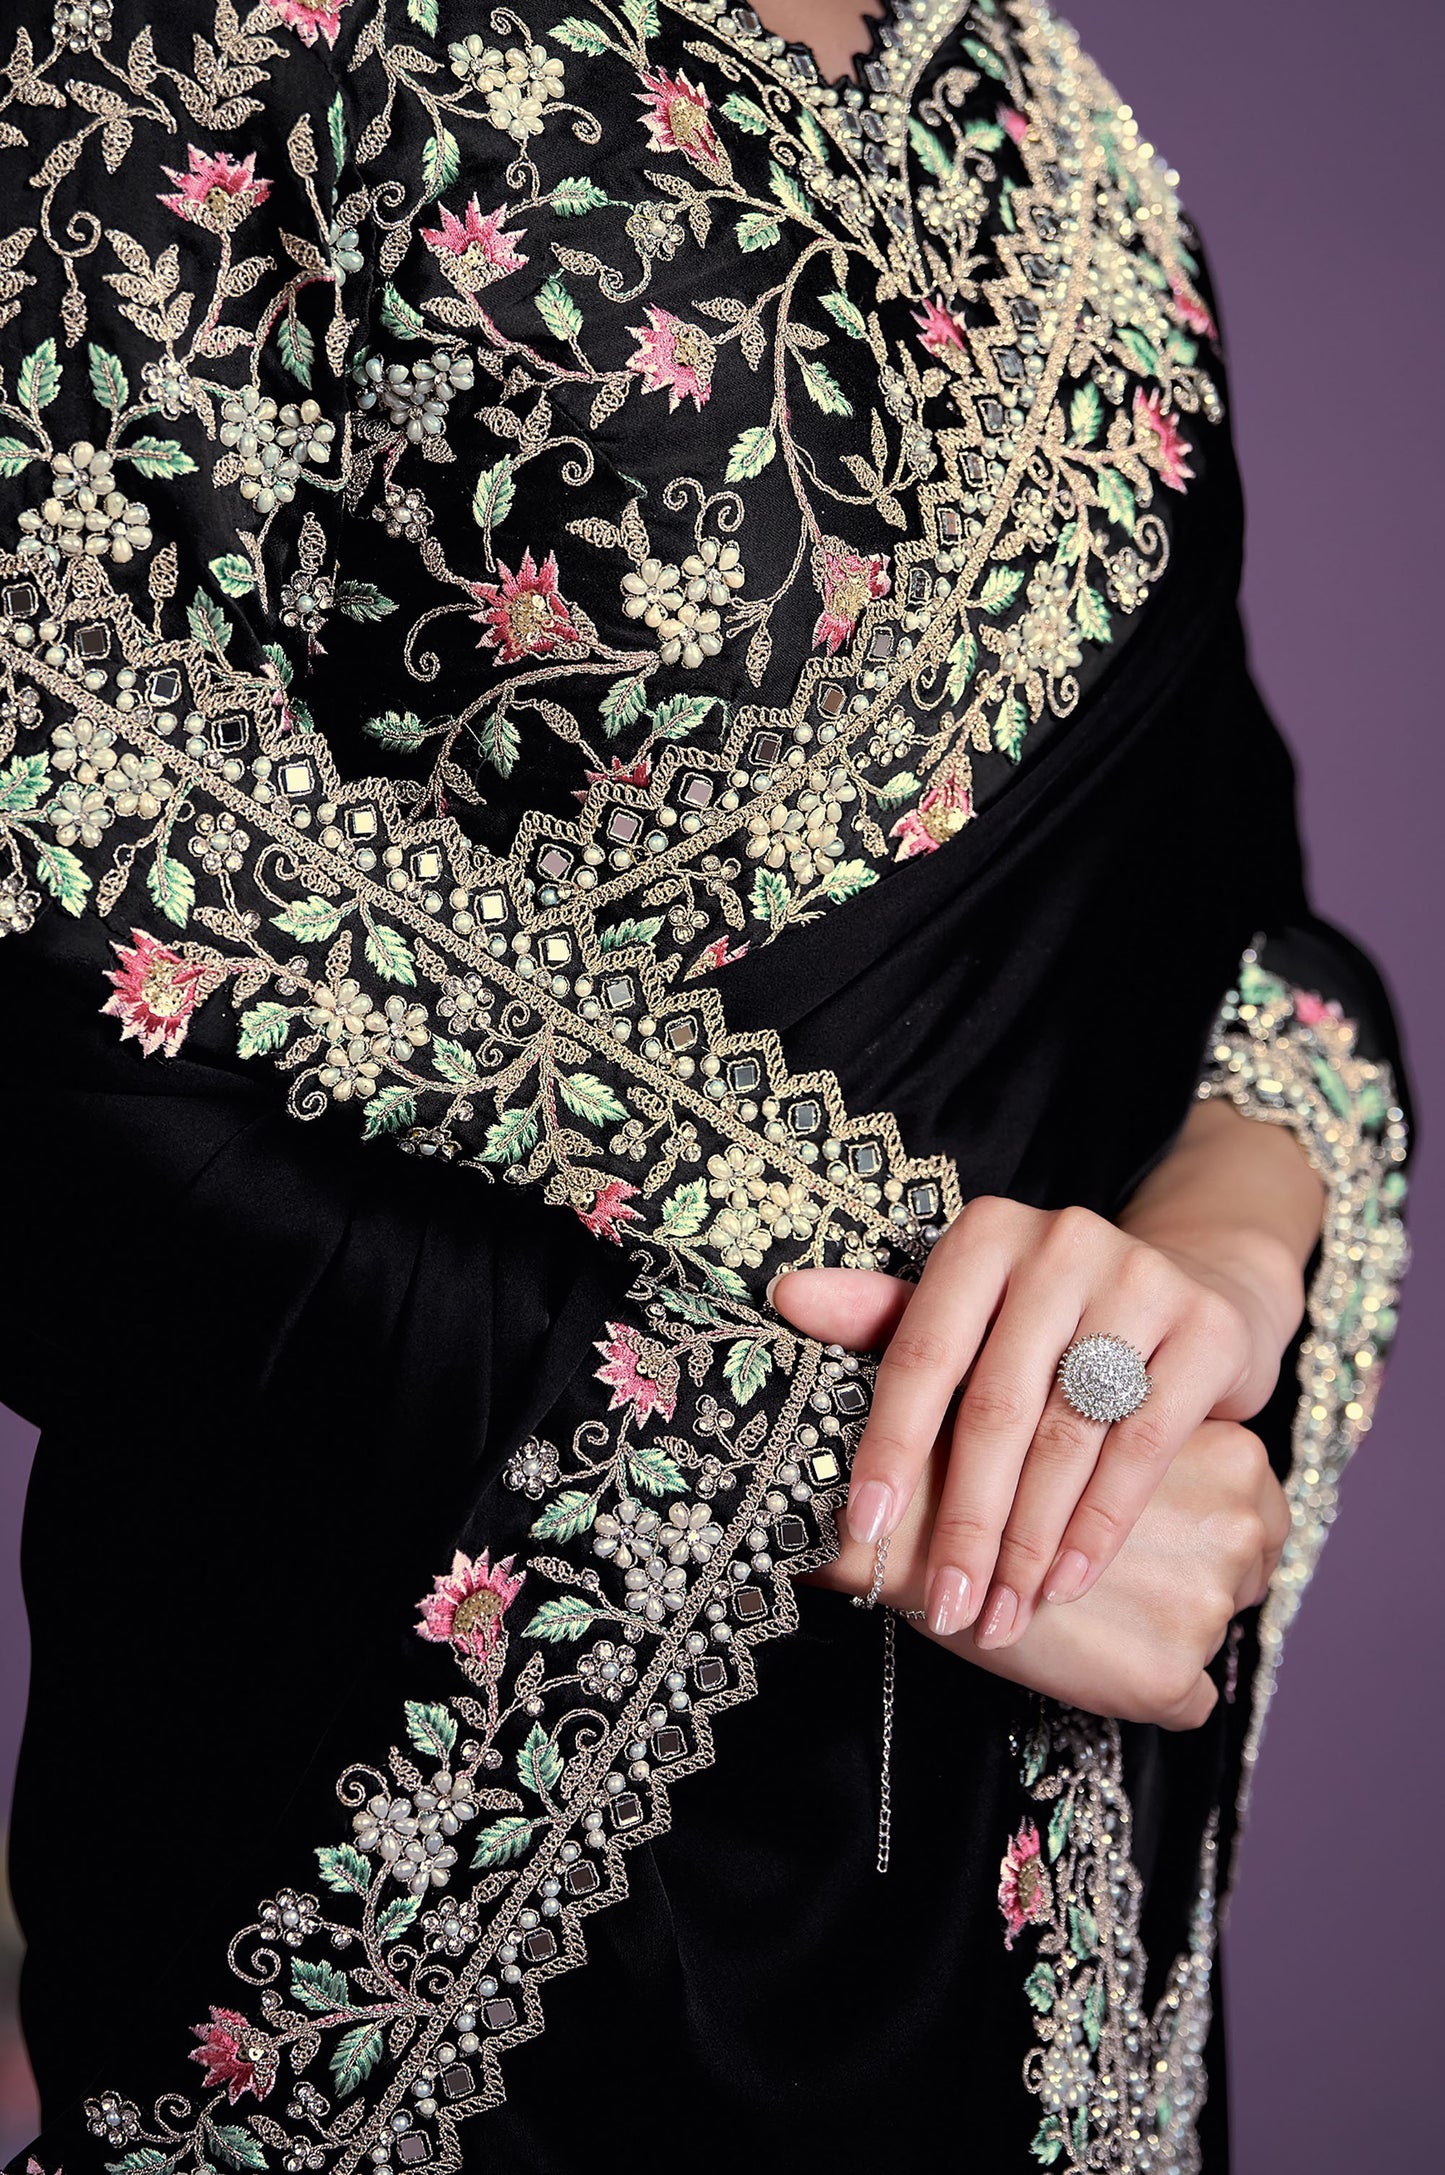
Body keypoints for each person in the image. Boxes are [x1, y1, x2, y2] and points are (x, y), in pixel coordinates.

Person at [0, 0, 1409, 2166]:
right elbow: (56, 1071)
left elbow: (1223, 911)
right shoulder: (173, 71)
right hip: (448, 1891)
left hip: (1050, 1942)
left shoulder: (1037, 102)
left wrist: (1214, 1260)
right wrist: (905, 1471)